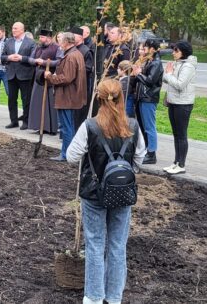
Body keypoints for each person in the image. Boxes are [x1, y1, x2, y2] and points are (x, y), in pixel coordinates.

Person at [66, 79, 146, 304]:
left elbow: (72, 156)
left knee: (94, 244)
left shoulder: (90, 126)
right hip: (123, 192)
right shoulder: (132, 126)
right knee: (118, 245)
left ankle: (93, 297)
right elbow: (140, 158)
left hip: (93, 193)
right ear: (121, 97)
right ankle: (114, 298)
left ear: (99, 99)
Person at [45, 32, 86, 161]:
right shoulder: (76, 54)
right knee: (70, 126)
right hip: (71, 96)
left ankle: (66, 154)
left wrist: (50, 77)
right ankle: (72, 153)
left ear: (67, 42)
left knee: (66, 127)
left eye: (61, 40)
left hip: (67, 97)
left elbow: (67, 78)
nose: (59, 43)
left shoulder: (71, 57)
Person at [162, 41, 197, 175]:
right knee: (176, 134)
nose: (173, 53)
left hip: (183, 104)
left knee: (181, 135)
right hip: (173, 102)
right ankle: (176, 162)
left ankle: (181, 164)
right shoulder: (178, 64)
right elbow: (167, 80)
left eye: (176, 50)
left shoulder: (188, 66)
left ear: (183, 52)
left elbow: (180, 85)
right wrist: (167, 73)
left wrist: (169, 74)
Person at [131, 39, 163, 165]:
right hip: (142, 97)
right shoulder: (149, 61)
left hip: (149, 98)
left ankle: (151, 153)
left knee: (149, 127)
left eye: (146, 47)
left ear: (153, 49)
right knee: (143, 126)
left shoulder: (156, 63)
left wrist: (139, 74)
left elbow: (150, 81)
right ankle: (145, 150)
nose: (143, 49)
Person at [1, 22, 36, 129]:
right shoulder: (8, 42)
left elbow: (33, 59)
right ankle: (14, 121)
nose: (13, 30)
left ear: (22, 30)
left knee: (26, 100)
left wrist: (22, 58)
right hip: (11, 74)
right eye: (12, 28)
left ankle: (26, 121)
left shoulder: (31, 43)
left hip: (25, 75)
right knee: (11, 99)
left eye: (15, 28)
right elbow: (2, 57)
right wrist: (9, 58)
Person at [28, 29, 60, 135]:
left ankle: (51, 128)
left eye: (42, 37)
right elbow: (30, 59)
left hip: (49, 79)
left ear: (49, 38)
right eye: (40, 37)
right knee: (38, 103)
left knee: (49, 104)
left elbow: (59, 61)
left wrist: (45, 62)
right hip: (38, 78)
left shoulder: (57, 48)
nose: (40, 39)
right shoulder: (38, 47)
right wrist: (36, 61)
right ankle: (40, 126)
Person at [73, 26, 95, 129]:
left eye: (74, 36)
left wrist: (74, 70)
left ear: (81, 37)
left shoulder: (86, 51)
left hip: (81, 87)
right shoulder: (72, 49)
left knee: (79, 115)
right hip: (71, 86)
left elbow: (88, 68)